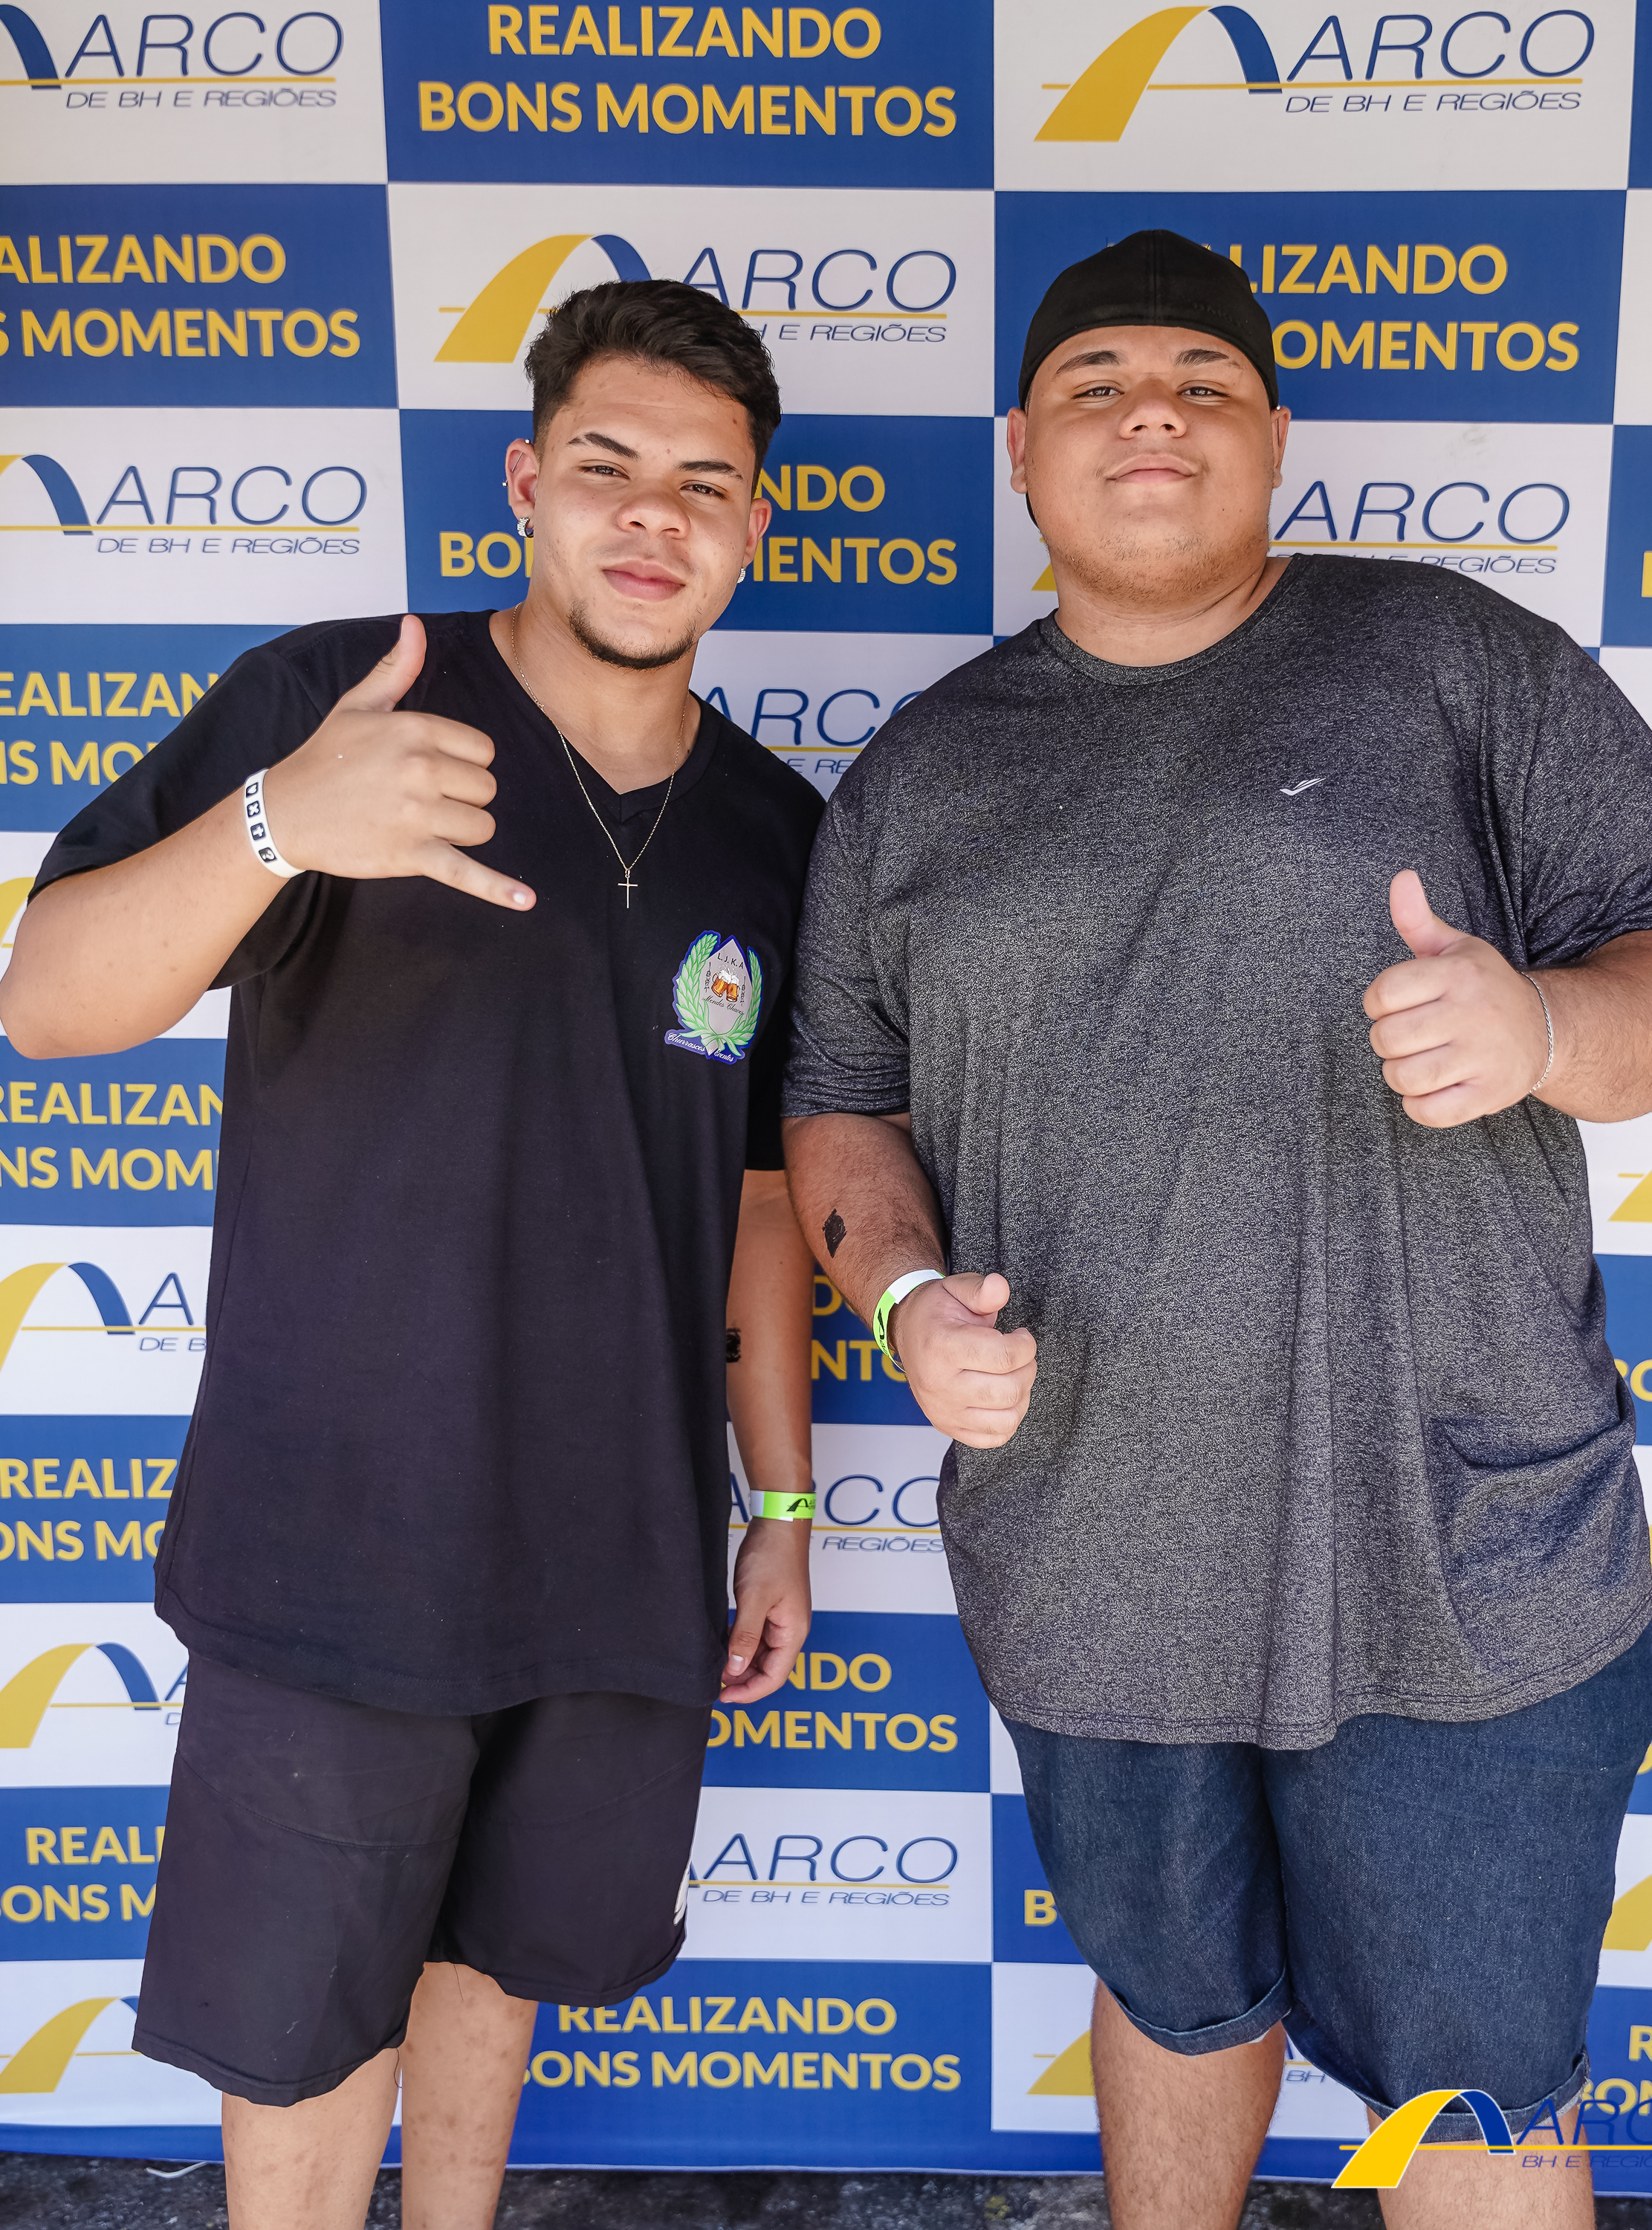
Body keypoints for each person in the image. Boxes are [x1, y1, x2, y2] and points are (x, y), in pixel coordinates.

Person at [780, 230, 1652, 2230]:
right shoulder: (918, 774)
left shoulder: (1456, 661)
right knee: (1174, 1997)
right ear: (1022, 451)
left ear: (1278, 436)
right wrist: (899, 1294)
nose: (1153, 414)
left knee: (1478, 2089)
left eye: (1205, 382)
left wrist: (1544, 1028)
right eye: (1099, 383)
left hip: (1457, 1549)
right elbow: (839, 1103)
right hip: (1092, 1550)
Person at [1, 279, 823, 2230]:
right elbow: (47, 1002)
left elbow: (762, 1204)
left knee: (496, 1968)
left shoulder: (779, 832)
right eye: (608, 465)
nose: (655, 515)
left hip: (614, 1543)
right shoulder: (343, 701)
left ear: (754, 526)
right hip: (336, 1541)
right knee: (302, 2038)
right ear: (526, 484)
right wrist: (279, 826)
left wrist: (782, 1504)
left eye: (706, 483)